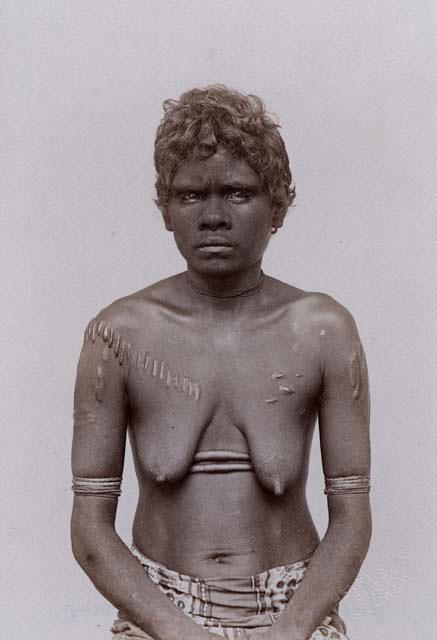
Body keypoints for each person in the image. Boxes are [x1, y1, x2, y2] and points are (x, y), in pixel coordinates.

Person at [71, 85, 371, 640]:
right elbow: (89, 528)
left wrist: (290, 630)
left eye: (236, 193)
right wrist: (176, 630)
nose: (212, 216)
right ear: (165, 209)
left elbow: (352, 516)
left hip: (293, 607)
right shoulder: (117, 334)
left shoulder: (324, 330)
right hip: (158, 609)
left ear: (276, 205)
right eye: (190, 196)